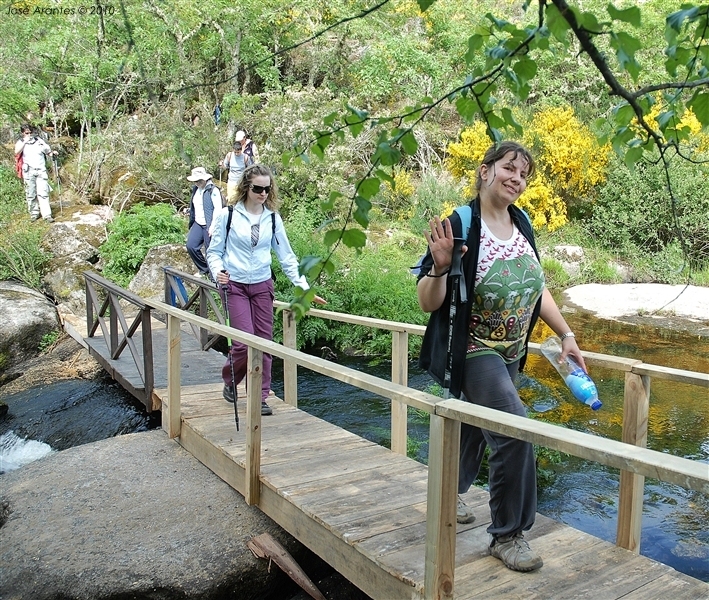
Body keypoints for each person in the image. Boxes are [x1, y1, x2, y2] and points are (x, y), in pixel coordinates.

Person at [416, 141, 586, 573]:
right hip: (474, 349)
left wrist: (565, 334)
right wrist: (440, 267)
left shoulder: (522, 222)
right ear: (485, 170)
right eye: (510, 168)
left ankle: (448, 492)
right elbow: (427, 301)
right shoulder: (460, 223)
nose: (517, 179)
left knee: (478, 424)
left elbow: (537, 288)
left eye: (524, 174)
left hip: (512, 350)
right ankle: (508, 535)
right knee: (514, 430)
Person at [207, 164, 325, 416]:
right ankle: (231, 379)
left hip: (262, 285)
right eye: (257, 189)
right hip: (235, 285)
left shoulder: (272, 218)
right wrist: (218, 272)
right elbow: (214, 252)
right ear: (246, 187)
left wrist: (304, 289)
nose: (263, 193)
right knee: (242, 344)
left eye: (267, 189)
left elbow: (287, 257)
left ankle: (259, 396)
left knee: (263, 343)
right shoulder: (228, 216)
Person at [186, 167, 223, 279]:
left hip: (209, 224)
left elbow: (218, 209)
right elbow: (196, 205)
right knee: (191, 246)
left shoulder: (213, 190)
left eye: (199, 180)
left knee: (210, 251)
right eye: (195, 181)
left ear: (205, 179)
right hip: (198, 222)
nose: (197, 183)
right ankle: (204, 269)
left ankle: (213, 278)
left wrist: (213, 226)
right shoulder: (196, 189)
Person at [14, 123, 56, 223]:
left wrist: (52, 153)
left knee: (43, 192)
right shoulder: (20, 142)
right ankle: (34, 213)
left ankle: (47, 215)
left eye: (30, 132)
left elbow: (48, 151)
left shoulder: (39, 141)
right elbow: (16, 152)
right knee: (31, 193)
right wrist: (25, 141)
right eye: (26, 133)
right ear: (23, 133)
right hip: (28, 171)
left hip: (40, 171)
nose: (29, 134)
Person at [221, 141, 251, 205]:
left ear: (241, 150)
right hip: (231, 182)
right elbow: (225, 166)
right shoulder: (229, 155)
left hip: (241, 182)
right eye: (235, 152)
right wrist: (222, 164)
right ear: (233, 150)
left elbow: (250, 169)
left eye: (238, 152)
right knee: (231, 200)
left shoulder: (245, 157)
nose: (236, 154)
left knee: (241, 201)